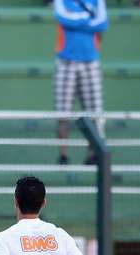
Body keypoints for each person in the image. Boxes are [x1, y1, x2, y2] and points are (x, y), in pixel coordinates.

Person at [53, 0, 108, 166]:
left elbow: (102, 23)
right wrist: (88, 17)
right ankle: (63, 155)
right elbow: (63, 18)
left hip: (90, 61)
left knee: (95, 112)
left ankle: (93, 153)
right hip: (66, 60)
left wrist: (77, 20)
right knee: (63, 113)